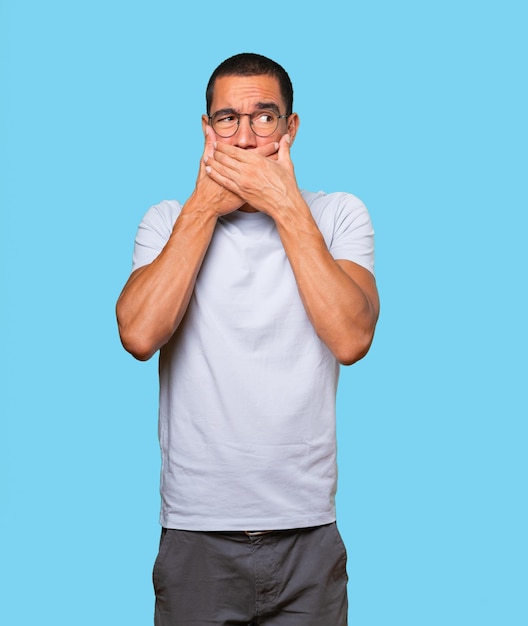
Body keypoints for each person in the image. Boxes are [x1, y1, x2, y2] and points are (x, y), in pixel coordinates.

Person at [116, 52, 380, 626]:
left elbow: (352, 338)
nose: (245, 136)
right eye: (227, 119)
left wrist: (285, 206)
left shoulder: (337, 215)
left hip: (307, 530)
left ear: (291, 127)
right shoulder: (166, 220)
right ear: (207, 130)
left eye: (264, 117)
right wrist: (204, 208)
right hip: (196, 532)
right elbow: (138, 335)